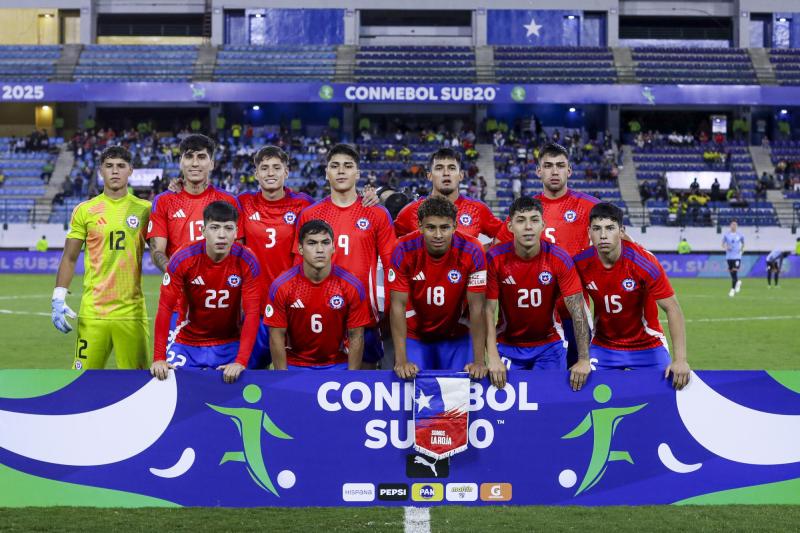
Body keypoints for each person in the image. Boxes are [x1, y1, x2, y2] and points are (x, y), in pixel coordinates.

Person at [496, 142, 601, 369]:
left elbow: (617, 238)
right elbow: (498, 249)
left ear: (569, 171)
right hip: (535, 316)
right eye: (548, 165)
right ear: (538, 171)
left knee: (578, 374)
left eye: (560, 165)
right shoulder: (526, 211)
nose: (555, 171)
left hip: (575, 311)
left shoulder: (589, 206)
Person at [295, 144, 396, 369]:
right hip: (320, 314)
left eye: (348, 166)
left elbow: (392, 267)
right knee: (316, 386)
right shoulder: (311, 214)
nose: (341, 171)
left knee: (363, 384)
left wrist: (388, 311)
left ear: (358, 173)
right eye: (335, 166)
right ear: (326, 172)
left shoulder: (377, 213)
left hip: (365, 316)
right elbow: (298, 269)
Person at [51, 146, 151, 370]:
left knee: (137, 389)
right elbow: (69, 257)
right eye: (109, 166)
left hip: (131, 315)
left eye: (121, 166)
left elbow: (162, 251)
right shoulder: (85, 210)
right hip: (93, 313)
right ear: (100, 171)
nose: (115, 171)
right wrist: (58, 296)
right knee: (81, 384)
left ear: (130, 171)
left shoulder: (146, 210)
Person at [573, 203, 690, 389]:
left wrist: (681, 360)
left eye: (610, 228)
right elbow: (574, 309)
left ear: (621, 231)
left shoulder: (643, 262)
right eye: (597, 229)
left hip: (648, 345)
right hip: (604, 346)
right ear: (589, 232)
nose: (603, 235)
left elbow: (672, 308)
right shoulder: (580, 263)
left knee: (662, 398)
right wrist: (582, 358)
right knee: (585, 391)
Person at [485, 197, 591, 391]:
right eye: (521, 220)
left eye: (534, 220)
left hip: (549, 345)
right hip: (508, 345)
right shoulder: (495, 258)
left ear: (543, 224)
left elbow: (577, 310)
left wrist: (584, 359)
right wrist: (492, 357)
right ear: (509, 226)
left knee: (549, 404)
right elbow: (487, 311)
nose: (528, 226)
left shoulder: (559, 258)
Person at [150, 201, 261, 384]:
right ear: (203, 231)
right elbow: (165, 308)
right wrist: (159, 357)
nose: (222, 235)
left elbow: (251, 313)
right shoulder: (184, 257)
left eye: (228, 228)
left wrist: (241, 361)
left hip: (229, 342)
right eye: (215, 228)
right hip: (187, 342)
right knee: (168, 385)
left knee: (236, 391)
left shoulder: (247, 260)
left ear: (236, 232)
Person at [389, 196, 488, 381]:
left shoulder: (473, 250)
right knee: (412, 390)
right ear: (419, 226)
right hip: (415, 336)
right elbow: (397, 306)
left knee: (461, 397)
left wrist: (479, 360)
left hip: (458, 336)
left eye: (444, 227)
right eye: (430, 227)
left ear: (455, 226)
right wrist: (401, 360)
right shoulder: (402, 248)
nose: (438, 235)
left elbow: (477, 308)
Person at [237, 146, 313, 369]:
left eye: (276, 168)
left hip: (291, 306)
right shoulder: (243, 202)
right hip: (253, 309)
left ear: (286, 172)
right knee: (248, 374)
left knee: (290, 379)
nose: (270, 173)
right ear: (256, 174)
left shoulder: (303, 204)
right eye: (264, 168)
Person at [265, 220, 370, 370]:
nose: (320, 249)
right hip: (295, 364)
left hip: (338, 364)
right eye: (312, 243)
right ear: (300, 248)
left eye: (325, 243)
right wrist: (284, 377)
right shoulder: (282, 285)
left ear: (333, 247)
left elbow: (356, 336)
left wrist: (351, 379)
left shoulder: (351, 285)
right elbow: (276, 336)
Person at [393, 147, 503, 241]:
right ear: (429, 176)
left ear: (461, 175)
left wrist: (486, 254)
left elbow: (507, 237)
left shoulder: (478, 210)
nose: (446, 173)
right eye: (439, 168)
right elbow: (385, 240)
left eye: (452, 168)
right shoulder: (411, 211)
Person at [722, 220, 745, 297]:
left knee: (734, 272)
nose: (734, 226)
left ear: (737, 226)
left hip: (737, 256)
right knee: (732, 273)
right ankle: (738, 282)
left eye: (735, 225)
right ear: (730, 226)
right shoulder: (726, 235)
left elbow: (743, 243)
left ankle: (732, 290)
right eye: (732, 224)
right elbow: (722, 244)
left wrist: (741, 250)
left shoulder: (740, 235)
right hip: (729, 257)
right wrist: (726, 247)